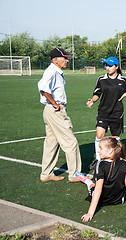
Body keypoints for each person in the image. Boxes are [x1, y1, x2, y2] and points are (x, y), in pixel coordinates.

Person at [77, 137, 126, 222]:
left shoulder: (100, 165)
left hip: (101, 201)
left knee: (93, 187)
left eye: (100, 148)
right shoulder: (125, 163)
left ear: (110, 150)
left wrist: (90, 213)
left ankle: (88, 182)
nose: (98, 151)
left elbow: (98, 190)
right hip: (119, 200)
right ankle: (89, 181)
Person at [37, 48, 82, 183]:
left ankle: (46, 174)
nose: (67, 60)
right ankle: (75, 174)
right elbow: (43, 88)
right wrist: (54, 103)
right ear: (55, 60)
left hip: (50, 111)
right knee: (71, 142)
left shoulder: (56, 71)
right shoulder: (52, 71)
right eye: (65, 58)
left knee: (52, 142)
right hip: (55, 111)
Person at [86, 57, 126, 167]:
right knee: (99, 135)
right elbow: (97, 93)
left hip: (117, 112)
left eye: (110, 66)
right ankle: (98, 159)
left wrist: (124, 94)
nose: (108, 68)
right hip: (103, 112)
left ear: (117, 67)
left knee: (115, 138)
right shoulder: (101, 79)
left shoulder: (123, 80)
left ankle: (116, 158)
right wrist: (92, 101)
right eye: (106, 66)